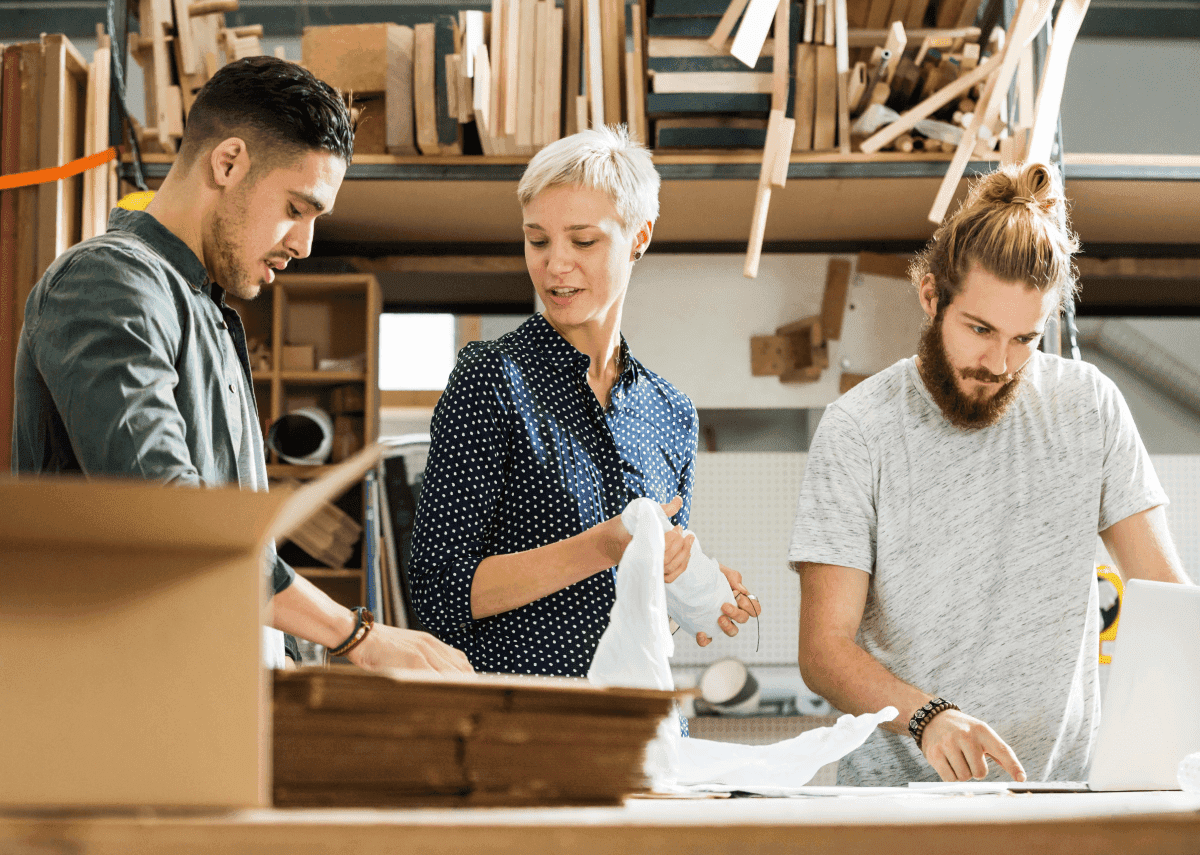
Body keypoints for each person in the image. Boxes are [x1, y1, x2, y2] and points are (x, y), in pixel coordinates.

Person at [12, 56, 471, 676]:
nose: (304, 244)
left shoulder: (210, 314)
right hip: (114, 698)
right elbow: (171, 519)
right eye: (297, 208)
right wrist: (355, 635)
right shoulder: (107, 281)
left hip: (199, 694)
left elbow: (238, 551)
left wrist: (288, 660)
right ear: (227, 162)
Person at [790, 162, 1191, 786]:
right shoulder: (858, 429)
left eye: (1024, 338)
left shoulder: (1089, 408)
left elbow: (1166, 595)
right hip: (897, 806)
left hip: (1056, 796)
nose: (999, 363)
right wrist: (927, 717)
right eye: (979, 330)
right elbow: (823, 651)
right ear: (931, 297)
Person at [410, 126, 760, 677]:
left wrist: (692, 588)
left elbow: (639, 609)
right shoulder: (492, 379)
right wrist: (602, 547)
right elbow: (438, 594)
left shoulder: (670, 413)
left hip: (638, 716)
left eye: (583, 241)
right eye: (538, 240)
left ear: (639, 237)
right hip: (524, 717)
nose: (555, 264)